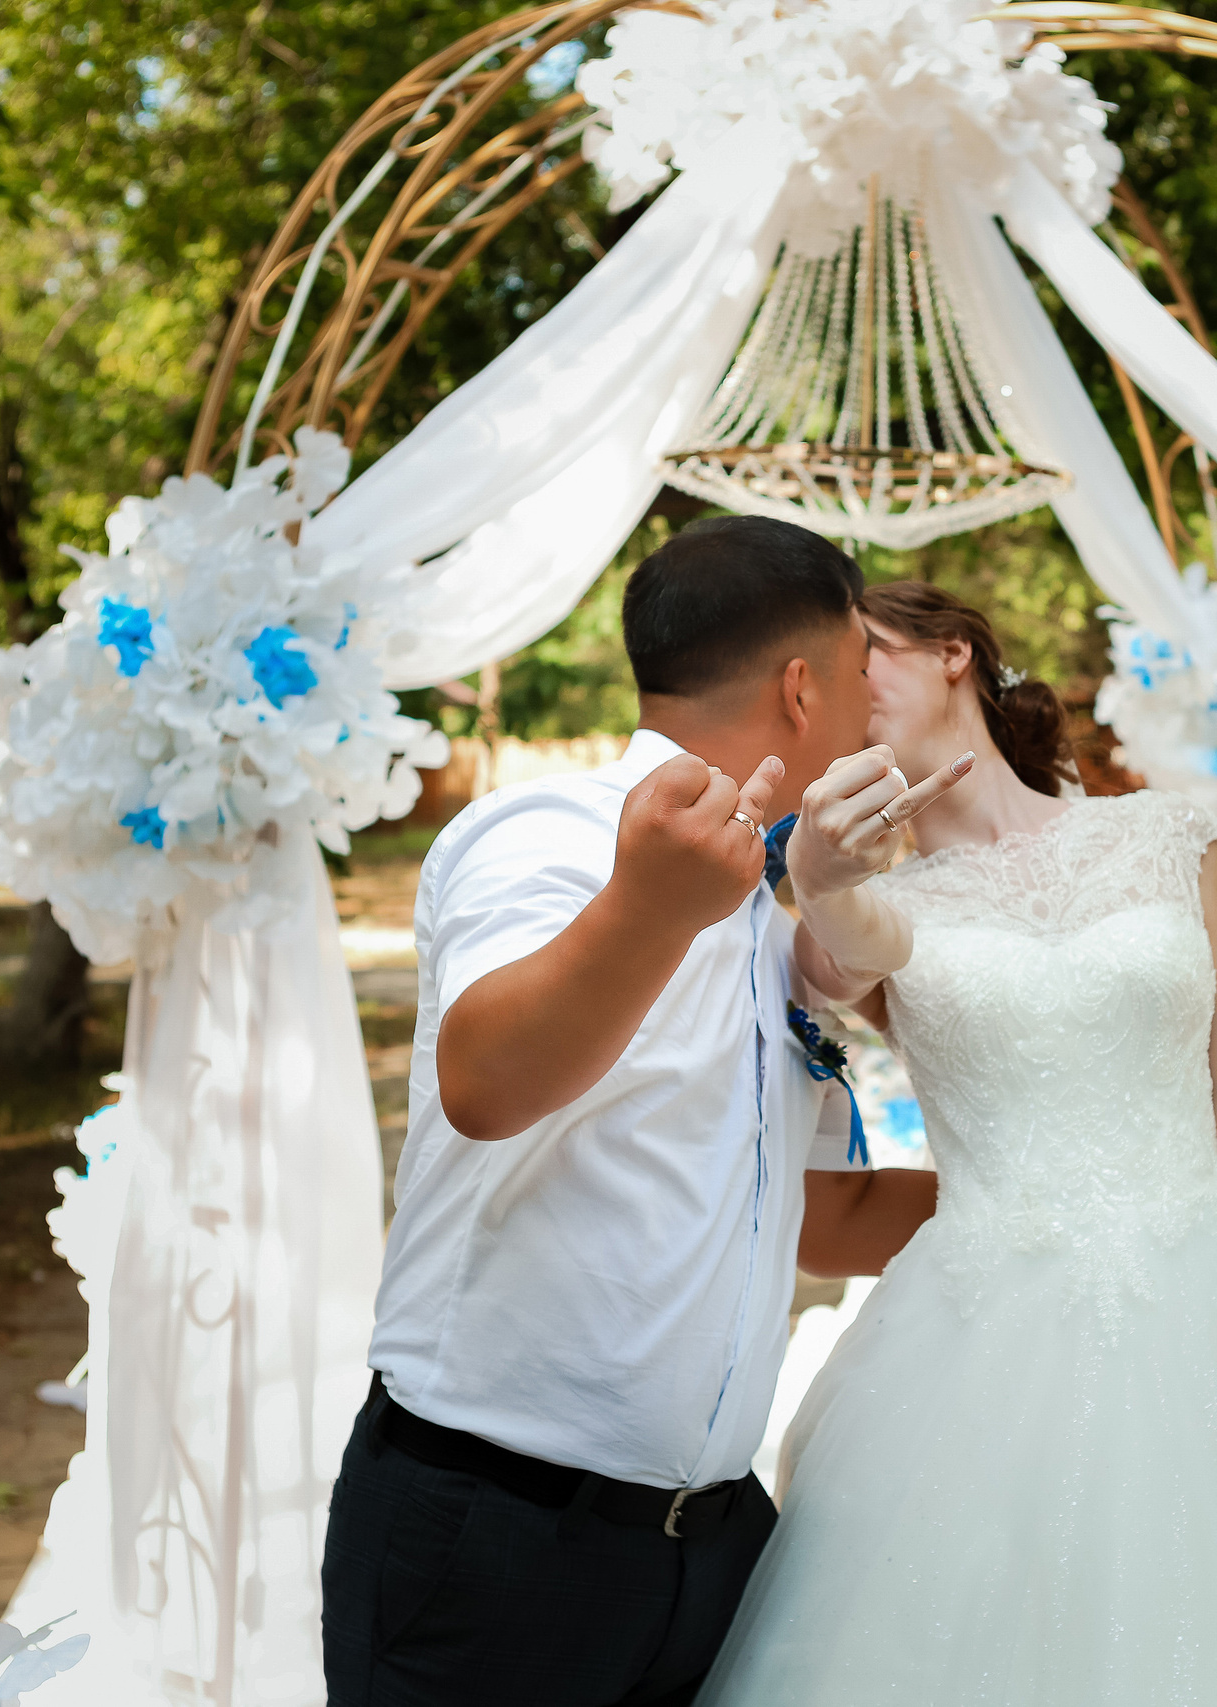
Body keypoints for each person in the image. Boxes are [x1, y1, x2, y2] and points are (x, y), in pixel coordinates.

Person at [695, 581, 1217, 1704]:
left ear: (953, 651)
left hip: (1213, 1330)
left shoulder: (1167, 838)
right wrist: (817, 878)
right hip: (977, 1364)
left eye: (867, 657)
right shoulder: (870, 897)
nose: (847, 692)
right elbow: (842, 950)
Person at [321, 518, 945, 1707]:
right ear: (802, 685)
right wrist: (650, 906)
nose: (874, 709)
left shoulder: (783, 900)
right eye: (864, 671)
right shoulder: (548, 832)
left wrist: (1070, 1194)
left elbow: (813, 1221)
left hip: (707, 1554)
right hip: (497, 1538)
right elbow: (486, 1086)